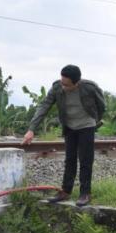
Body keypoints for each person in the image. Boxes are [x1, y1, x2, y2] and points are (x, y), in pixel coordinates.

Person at [22, 65, 105, 206]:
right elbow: (44, 106)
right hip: (69, 126)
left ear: (76, 82)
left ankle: (85, 193)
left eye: (66, 84)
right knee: (70, 159)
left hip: (86, 125)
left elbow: (101, 104)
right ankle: (65, 191)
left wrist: (96, 120)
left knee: (85, 160)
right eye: (62, 82)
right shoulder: (57, 87)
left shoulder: (89, 87)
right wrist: (31, 129)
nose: (63, 86)